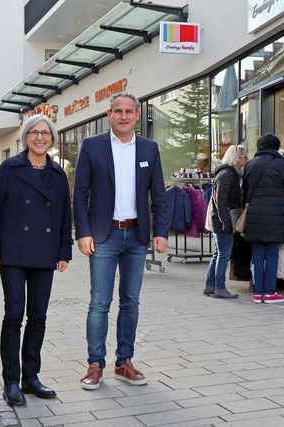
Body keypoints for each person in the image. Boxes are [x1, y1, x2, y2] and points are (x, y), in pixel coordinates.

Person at [73, 92, 170, 391]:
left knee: (131, 302)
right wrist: (83, 232)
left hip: (138, 237)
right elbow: (79, 194)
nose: (124, 116)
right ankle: (95, 365)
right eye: (118, 111)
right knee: (99, 303)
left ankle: (123, 362)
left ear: (137, 116)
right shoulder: (92, 147)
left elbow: (159, 195)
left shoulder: (149, 149)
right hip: (104, 236)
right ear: (109, 114)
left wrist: (161, 232)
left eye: (129, 111)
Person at [0, 114, 72, 406]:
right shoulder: (10, 167)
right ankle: (11, 380)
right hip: (13, 252)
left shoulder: (58, 174)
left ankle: (30, 377)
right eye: (34, 132)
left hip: (45, 253)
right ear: (25, 137)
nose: (40, 137)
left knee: (39, 316)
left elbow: (63, 216)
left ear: (53, 138)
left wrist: (63, 251)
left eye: (46, 133)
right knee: (14, 315)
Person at [243, 134, 284, 303]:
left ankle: (257, 292)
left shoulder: (250, 165)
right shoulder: (280, 163)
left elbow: (245, 192)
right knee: (272, 254)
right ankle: (269, 293)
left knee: (257, 254)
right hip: (274, 217)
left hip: (254, 215)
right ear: (276, 147)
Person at [204, 145, 248, 299]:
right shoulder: (227, 174)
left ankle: (210, 285)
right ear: (236, 159)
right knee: (224, 254)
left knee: (218, 254)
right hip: (223, 220)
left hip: (220, 219)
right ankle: (220, 288)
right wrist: (225, 222)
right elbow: (220, 201)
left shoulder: (229, 173)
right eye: (244, 157)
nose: (246, 160)